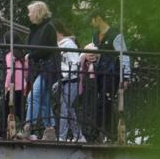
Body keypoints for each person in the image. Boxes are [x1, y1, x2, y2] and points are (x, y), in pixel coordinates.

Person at [87, 12, 131, 143]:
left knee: (105, 103)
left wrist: (126, 76)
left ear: (98, 19)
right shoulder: (95, 36)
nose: (91, 24)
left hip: (112, 74)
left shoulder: (115, 34)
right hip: (99, 73)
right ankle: (107, 133)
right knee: (102, 103)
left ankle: (101, 133)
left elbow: (124, 55)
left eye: (92, 20)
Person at [23, 1, 56, 139]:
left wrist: (30, 55)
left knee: (33, 96)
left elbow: (45, 49)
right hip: (39, 68)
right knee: (44, 100)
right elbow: (31, 47)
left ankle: (28, 127)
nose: (29, 14)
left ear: (37, 13)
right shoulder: (34, 29)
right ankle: (50, 129)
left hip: (48, 68)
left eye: (31, 12)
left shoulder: (48, 28)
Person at [53, 19, 83, 142]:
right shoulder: (59, 46)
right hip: (66, 80)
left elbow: (75, 63)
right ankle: (79, 136)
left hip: (72, 80)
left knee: (65, 108)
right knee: (69, 109)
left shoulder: (69, 44)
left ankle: (62, 136)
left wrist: (66, 76)